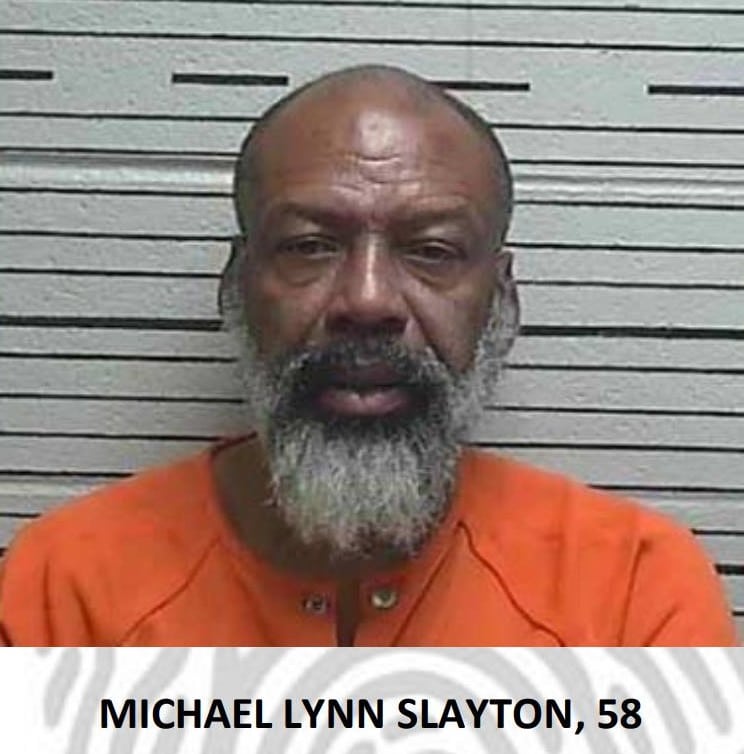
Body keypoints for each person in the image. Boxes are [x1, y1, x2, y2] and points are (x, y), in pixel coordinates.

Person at [0, 65, 736, 646]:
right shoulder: (65, 589)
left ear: (501, 303)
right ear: (236, 288)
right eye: (309, 246)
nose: (368, 299)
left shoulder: (632, 591)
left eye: (433, 251)